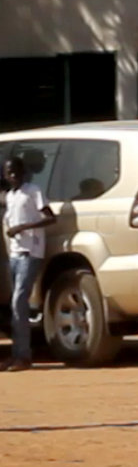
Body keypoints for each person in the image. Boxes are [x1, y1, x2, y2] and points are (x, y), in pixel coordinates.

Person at [4, 157, 57, 372]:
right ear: (6, 176)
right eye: (10, 173)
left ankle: (24, 356)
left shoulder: (32, 190)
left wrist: (23, 227)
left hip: (31, 252)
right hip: (15, 254)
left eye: (17, 172)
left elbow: (50, 217)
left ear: (23, 172)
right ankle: (17, 353)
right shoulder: (10, 196)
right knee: (16, 305)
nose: (14, 176)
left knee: (19, 301)